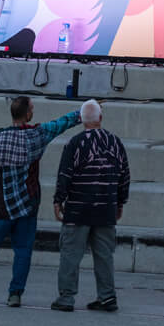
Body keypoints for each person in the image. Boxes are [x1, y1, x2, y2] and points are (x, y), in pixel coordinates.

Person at [0, 94, 84, 307]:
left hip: (0, 205)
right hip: (28, 203)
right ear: (29, 113)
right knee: (23, 251)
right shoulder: (38, 134)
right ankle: (15, 294)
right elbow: (62, 123)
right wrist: (83, 113)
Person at [50, 100, 129, 313]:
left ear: (82, 120)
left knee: (71, 254)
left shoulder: (75, 143)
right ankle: (107, 297)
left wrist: (58, 200)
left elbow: (65, 175)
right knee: (104, 255)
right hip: (105, 208)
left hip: (78, 209)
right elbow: (124, 176)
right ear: (100, 118)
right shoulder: (116, 142)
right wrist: (120, 202)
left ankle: (66, 298)